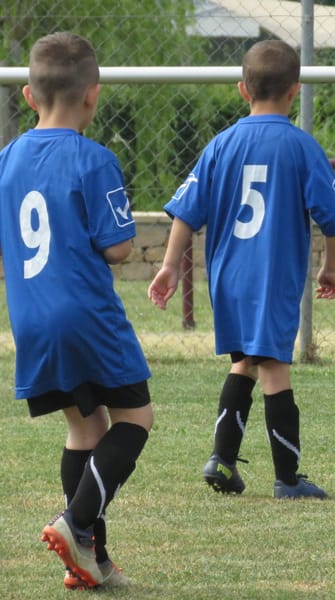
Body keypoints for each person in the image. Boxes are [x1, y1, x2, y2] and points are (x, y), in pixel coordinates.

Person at [148, 40, 335, 500]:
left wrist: (168, 266)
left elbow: (186, 213)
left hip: (228, 279)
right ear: (295, 90)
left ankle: (221, 460)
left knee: (244, 362)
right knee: (275, 368)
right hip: (272, 278)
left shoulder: (220, 145)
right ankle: (287, 478)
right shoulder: (301, 147)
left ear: (243, 90)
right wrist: (330, 267)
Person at [0, 32, 153, 588]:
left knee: (83, 428)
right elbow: (116, 247)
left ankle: (92, 561)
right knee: (136, 419)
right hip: (85, 311)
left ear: (27, 95)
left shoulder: (6, 160)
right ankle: (76, 522)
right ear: (93, 95)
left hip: (31, 318)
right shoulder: (94, 158)